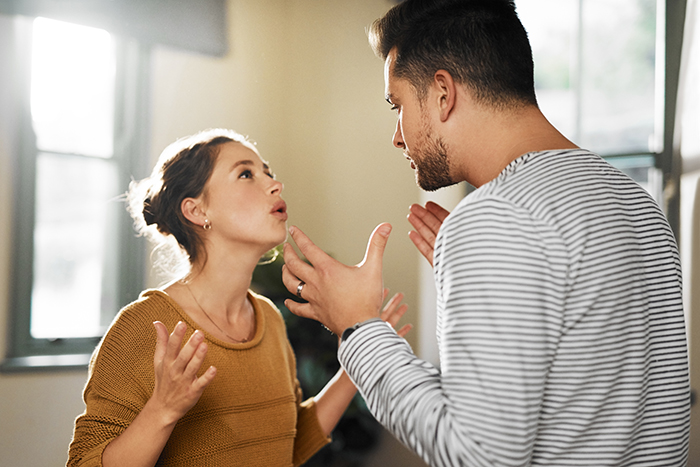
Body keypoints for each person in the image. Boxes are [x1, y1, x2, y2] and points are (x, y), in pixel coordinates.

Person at [279, 1, 691, 466]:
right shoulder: (633, 199)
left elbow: (478, 457)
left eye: (397, 105)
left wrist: (358, 328)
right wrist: (482, 284)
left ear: (442, 92)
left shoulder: (495, 219)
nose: (396, 135)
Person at [67, 128, 410, 467]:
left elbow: (285, 446)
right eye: (246, 173)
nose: (275, 184)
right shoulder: (144, 326)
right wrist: (163, 410)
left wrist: (353, 366)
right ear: (197, 211)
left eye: (268, 172)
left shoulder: (269, 319)